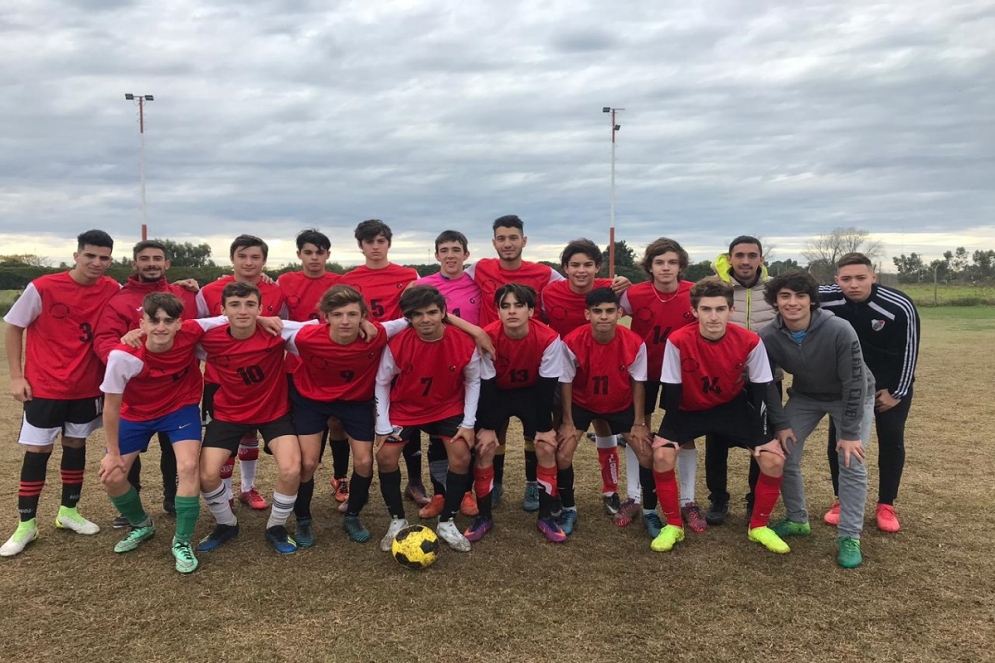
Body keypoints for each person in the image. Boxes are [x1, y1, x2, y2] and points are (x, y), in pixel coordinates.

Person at [646, 277, 789, 555]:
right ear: (694, 311)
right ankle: (674, 525)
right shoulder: (677, 340)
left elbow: (761, 388)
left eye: (720, 309)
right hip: (690, 409)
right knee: (662, 455)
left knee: (773, 459)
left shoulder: (750, 341)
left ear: (731, 311)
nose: (714, 316)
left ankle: (758, 527)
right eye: (707, 309)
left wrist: (762, 437)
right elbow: (672, 391)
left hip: (731, 408)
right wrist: (668, 433)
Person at [1, 230, 120, 557]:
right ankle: (26, 525)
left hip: (86, 388)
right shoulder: (43, 287)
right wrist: (15, 377)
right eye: (91, 256)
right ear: (76, 255)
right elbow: (13, 326)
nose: (97, 263)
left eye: (104, 257)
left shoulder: (112, 289)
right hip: (45, 386)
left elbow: (146, 296)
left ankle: (68, 513)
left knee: (75, 445)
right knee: (37, 451)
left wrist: (183, 286)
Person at [98, 292, 226, 573]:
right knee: (113, 475)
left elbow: (228, 318)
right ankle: (142, 525)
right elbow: (111, 407)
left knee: (190, 466)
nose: (161, 327)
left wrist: (264, 318)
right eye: (153, 321)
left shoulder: (191, 331)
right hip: (134, 415)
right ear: (141, 323)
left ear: (180, 323)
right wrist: (113, 453)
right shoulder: (123, 356)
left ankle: (182, 542)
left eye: (169, 321)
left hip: (179, 410)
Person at [760, 270, 875, 569]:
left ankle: (850, 536)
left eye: (800, 296)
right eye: (785, 296)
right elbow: (767, 382)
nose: (793, 303)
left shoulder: (839, 329)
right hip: (807, 396)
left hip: (852, 395)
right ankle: (798, 520)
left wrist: (849, 433)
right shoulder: (769, 336)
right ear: (775, 301)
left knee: (851, 460)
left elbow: (854, 382)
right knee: (782, 453)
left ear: (812, 301)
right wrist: (781, 423)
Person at [282, 285, 406, 546]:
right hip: (311, 401)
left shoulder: (378, 334)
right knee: (307, 463)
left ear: (364, 316)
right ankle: (303, 519)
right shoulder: (305, 338)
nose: (345, 321)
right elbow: (268, 326)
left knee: (364, 463)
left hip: (355, 403)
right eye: (337, 315)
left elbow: (409, 319)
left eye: (352, 314)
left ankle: (352, 515)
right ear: (325, 317)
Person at [93, 239, 200, 526]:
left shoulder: (183, 293)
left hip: (178, 394)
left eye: (157, 258)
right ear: (134, 264)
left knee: (177, 453)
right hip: (137, 394)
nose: (151, 263)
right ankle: (132, 506)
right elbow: (104, 339)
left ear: (167, 263)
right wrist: (126, 354)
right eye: (144, 258)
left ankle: (172, 498)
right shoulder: (119, 299)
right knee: (125, 460)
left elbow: (206, 326)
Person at [195, 282, 302, 555]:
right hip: (229, 413)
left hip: (273, 413)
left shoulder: (277, 332)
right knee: (206, 475)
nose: (243, 311)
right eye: (235, 305)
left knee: (291, 470)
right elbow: (176, 330)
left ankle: (276, 527)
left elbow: (321, 329)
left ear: (260, 307)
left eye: (250, 305)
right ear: (223, 310)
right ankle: (226, 524)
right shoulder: (209, 338)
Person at [374, 285, 481, 552]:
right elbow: (382, 381)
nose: (426, 319)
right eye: (417, 314)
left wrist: (468, 423)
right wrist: (383, 425)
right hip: (406, 408)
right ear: (408, 318)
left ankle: (447, 522)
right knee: (385, 457)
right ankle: (397, 521)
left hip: (446, 406)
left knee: (461, 456)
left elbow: (473, 379)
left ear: (443, 312)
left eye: (432, 312)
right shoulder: (399, 343)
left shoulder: (464, 342)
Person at [819, 253, 920, 532]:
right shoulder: (826, 296)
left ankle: (886, 504)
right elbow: (784, 289)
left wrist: (897, 392)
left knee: (891, 440)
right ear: (836, 280)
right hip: (848, 386)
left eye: (861, 278)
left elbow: (910, 350)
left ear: (873, 277)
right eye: (846, 279)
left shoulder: (899, 305)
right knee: (840, 442)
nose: (853, 285)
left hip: (887, 386)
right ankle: (842, 499)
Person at [196, 234, 288, 511]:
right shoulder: (210, 290)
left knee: (250, 437)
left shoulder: (276, 290)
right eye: (242, 256)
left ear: (264, 261)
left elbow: (282, 327)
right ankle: (224, 493)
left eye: (255, 257)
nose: (249, 262)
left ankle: (248, 488)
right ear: (232, 258)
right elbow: (200, 325)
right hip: (220, 379)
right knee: (224, 441)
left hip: (261, 380)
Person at [542, 238, 632, 517]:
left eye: (588, 265)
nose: (581, 271)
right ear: (565, 268)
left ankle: (610, 490)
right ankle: (556, 492)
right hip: (565, 372)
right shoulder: (550, 292)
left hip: (604, 373)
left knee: (604, 427)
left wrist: (626, 284)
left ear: (598, 267)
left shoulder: (612, 289)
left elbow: (628, 311)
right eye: (575, 265)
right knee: (562, 429)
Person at [340, 220, 427, 507]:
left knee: (407, 417)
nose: (375, 247)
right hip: (363, 356)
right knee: (360, 421)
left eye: (380, 241)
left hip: (401, 354)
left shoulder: (407, 274)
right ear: (360, 246)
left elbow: (413, 311)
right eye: (369, 242)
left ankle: (414, 483)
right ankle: (353, 485)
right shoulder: (350, 278)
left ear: (388, 243)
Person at [472, 284, 567, 542]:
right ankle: (484, 516)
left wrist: (545, 428)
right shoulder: (487, 337)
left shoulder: (548, 338)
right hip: (498, 393)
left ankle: (546, 517)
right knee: (485, 446)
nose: (512, 311)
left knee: (547, 448)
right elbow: (488, 386)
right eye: (505, 306)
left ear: (531, 310)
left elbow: (547, 388)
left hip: (532, 393)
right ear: (497, 311)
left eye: (518, 305)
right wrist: (488, 427)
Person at [616, 237, 696, 537]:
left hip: (683, 373)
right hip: (644, 373)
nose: (666, 268)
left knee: (684, 433)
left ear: (681, 266)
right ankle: (634, 496)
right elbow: (604, 308)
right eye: (659, 262)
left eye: (672, 262)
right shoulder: (634, 294)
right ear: (649, 266)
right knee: (640, 431)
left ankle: (688, 500)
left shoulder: (693, 293)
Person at [556, 288, 649, 536]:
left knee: (646, 453)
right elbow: (565, 381)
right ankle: (568, 508)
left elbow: (638, 382)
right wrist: (567, 421)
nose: (604, 317)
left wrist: (639, 421)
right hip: (582, 402)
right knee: (563, 454)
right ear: (587, 314)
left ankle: (631, 502)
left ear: (620, 312)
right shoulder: (572, 341)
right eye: (597, 311)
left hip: (619, 403)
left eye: (610, 311)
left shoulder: (635, 342)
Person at [705, 235, 778, 525]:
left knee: (762, 441)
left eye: (752, 255)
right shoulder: (716, 287)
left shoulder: (774, 290)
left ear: (761, 259)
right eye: (739, 255)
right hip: (723, 380)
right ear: (730, 258)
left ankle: (754, 500)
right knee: (716, 442)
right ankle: (718, 500)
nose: (745, 261)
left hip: (767, 379)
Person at [277, 229, 351, 506]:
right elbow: (276, 315)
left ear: (328, 255)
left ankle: (340, 477)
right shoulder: (285, 281)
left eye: (319, 252)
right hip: (297, 366)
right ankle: (305, 476)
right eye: (308, 252)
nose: (314, 257)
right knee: (307, 426)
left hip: (332, 363)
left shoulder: (340, 282)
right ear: (299, 255)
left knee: (337, 422)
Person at [415, 230, 484, 519]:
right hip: (435, 366)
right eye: (444, 250)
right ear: (436, 256)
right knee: (436, 436)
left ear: (466, 255)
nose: (451, 255)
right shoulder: (421, 285)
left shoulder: (478, 283)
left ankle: (465, 491)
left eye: (456, 249)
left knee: (466, 434)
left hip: (470, 365)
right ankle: (440, 494)